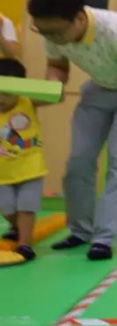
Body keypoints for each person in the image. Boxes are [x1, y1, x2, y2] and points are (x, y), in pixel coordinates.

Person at [27, 0, 117, 261]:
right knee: (78, 162)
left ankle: (104, 238)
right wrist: (52, 84)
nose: (51, 38)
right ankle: (80, 231)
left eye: (56, 32)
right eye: (43, 32)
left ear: (79, 18)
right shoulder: (52, 31)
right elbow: (58, 66)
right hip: (99, 90)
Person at [0, 58, 52, 262]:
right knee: (6, 209)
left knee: (26, 208)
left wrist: (30, 87)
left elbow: (56, 95)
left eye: (7, 93)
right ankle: (16, 226)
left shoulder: (27, 101)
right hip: (2, 174)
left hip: (30, 169)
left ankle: (24, 244)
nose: (2, 99)